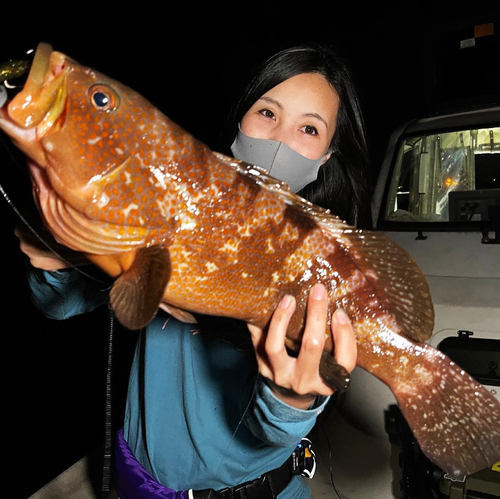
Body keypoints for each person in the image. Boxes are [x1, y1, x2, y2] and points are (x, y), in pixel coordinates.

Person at [16, 42, 372, 499]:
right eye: (267, 113)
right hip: (134, 483)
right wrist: (55, 260)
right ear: (240, 120)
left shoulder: (321, 264)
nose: (280, 140)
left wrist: (295, 401)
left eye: (309, 128)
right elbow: (59, 304)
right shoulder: (172, 206)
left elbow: (275, 432)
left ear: (326, 156)